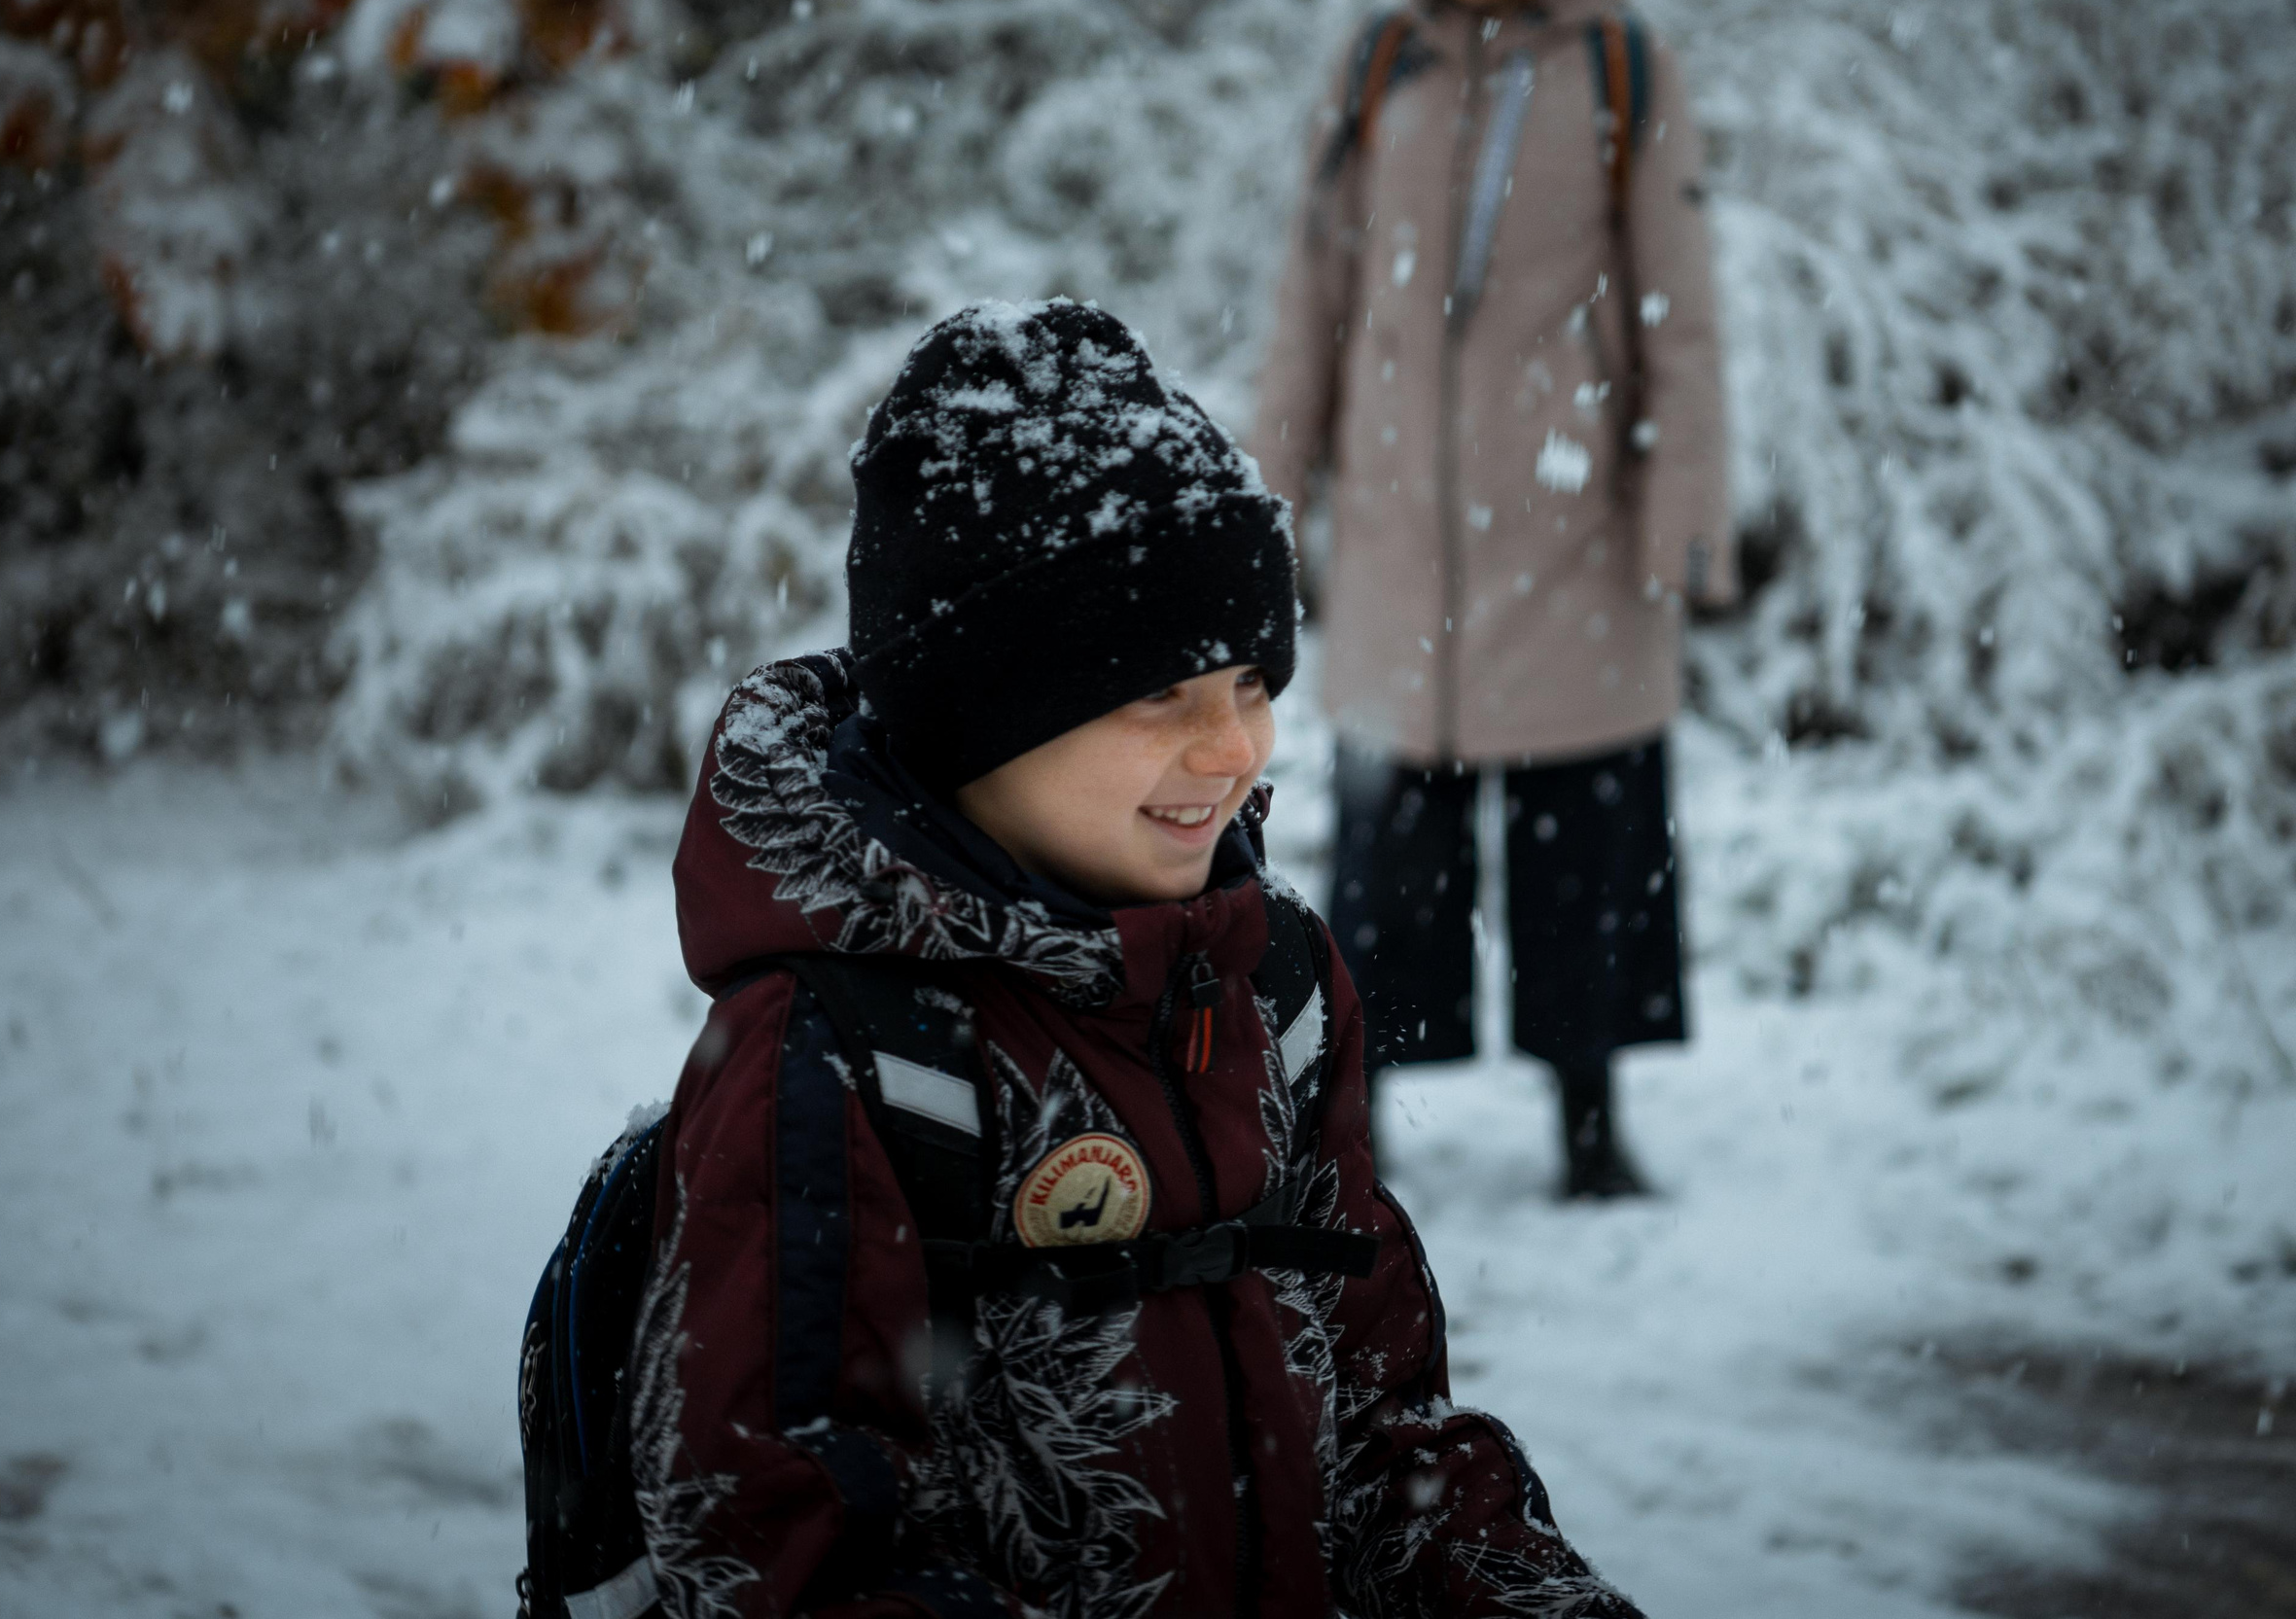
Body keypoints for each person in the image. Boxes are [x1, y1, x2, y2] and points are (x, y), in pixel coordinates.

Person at [630, 299, 1644, 1615]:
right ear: (975, 720)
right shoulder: (843, 1061)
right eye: (1157, 696)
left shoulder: (1273, 987)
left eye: (1253, 685)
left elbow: (1384, 1427)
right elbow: (786, 1551)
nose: (1232, 751)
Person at [1253, 0, 1736, 1199]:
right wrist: (1265, 502)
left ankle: (1588, 1126)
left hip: (1571, 524)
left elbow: (1679, 306)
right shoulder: (1377, 65)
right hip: (1406, 537)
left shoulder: (1619, 64)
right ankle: (1360, 1127)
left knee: (1587, 847)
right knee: (1389, 862)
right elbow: (1311, 298)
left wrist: (1682, 517)